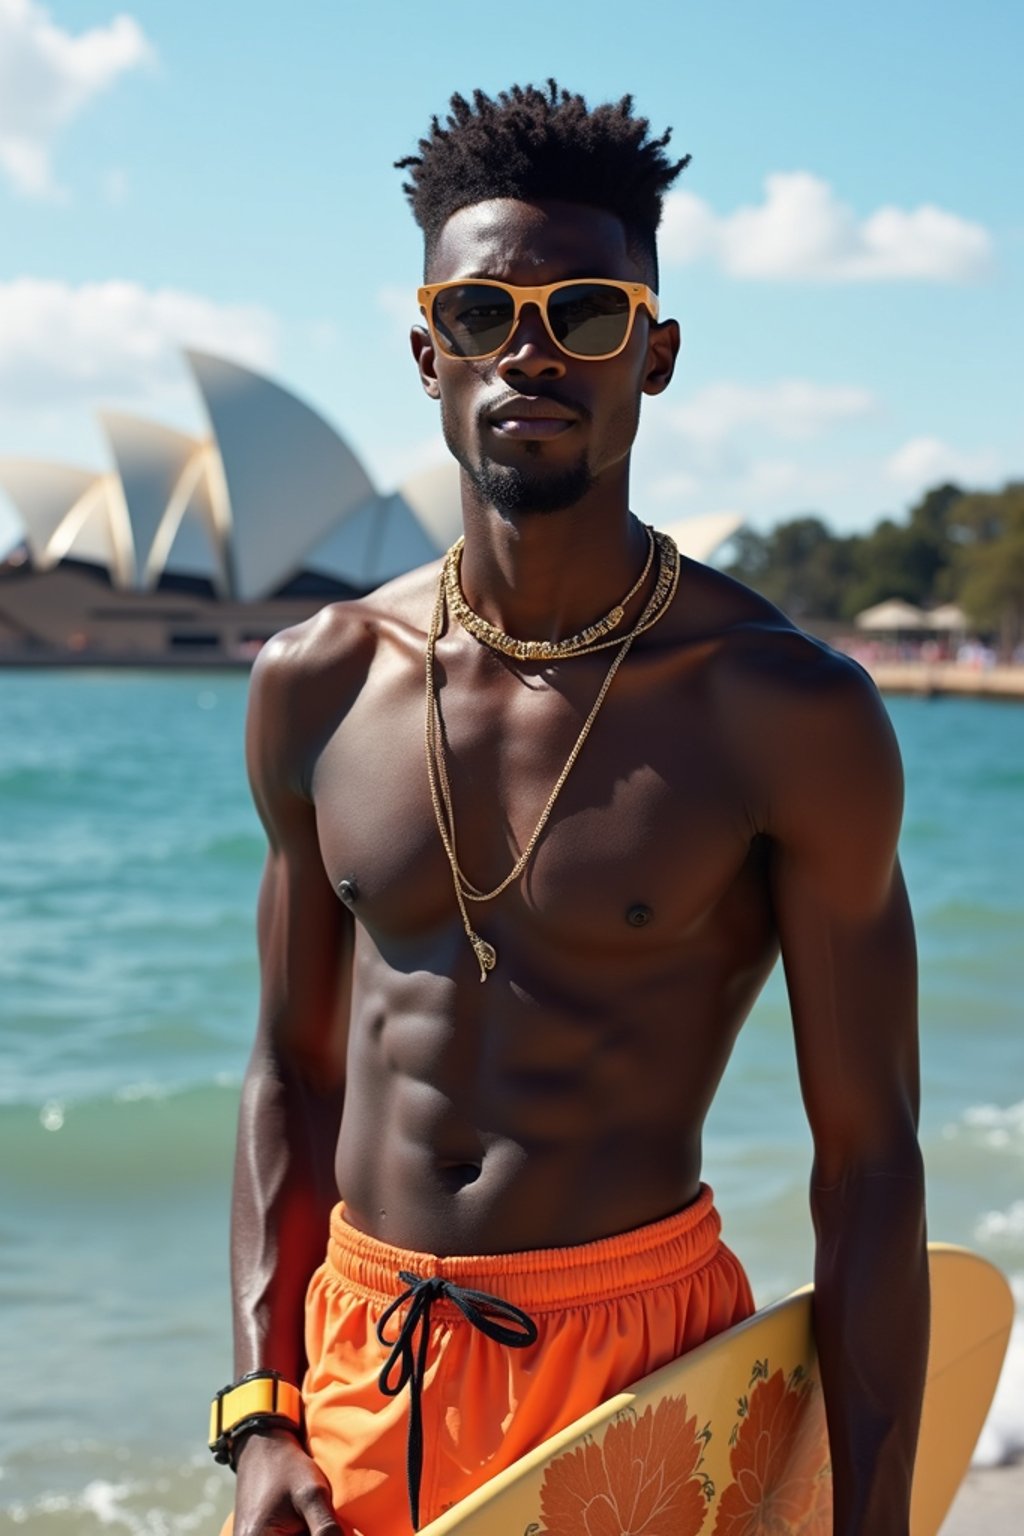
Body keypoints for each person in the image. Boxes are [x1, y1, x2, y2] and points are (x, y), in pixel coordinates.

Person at [212, 83, 928, 1536]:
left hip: (640, 1374)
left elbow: (870, 1161)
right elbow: (291, 1071)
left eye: (585, 314)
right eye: (482, 313)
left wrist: (871, 1523)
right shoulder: (319, 682)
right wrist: (260, 1411)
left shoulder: (781, 710)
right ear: (427, 351)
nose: (530, 351)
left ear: (653, 353)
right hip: (359, 1370)